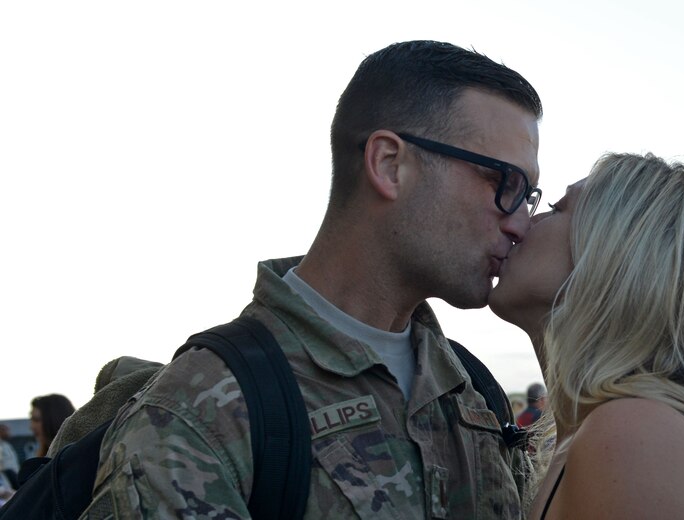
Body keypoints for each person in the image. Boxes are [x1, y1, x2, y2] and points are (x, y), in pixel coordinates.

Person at [81, 40, 544, 519]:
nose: (520, 223)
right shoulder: (200, 412)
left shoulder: (472, 389)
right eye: (501, 183)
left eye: (527, 196)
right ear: (389, 165)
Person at [489, 152, 684, 519]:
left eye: (557, 208)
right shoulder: (634, 428)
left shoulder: (635, 434)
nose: (521, 224)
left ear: (618, 254)